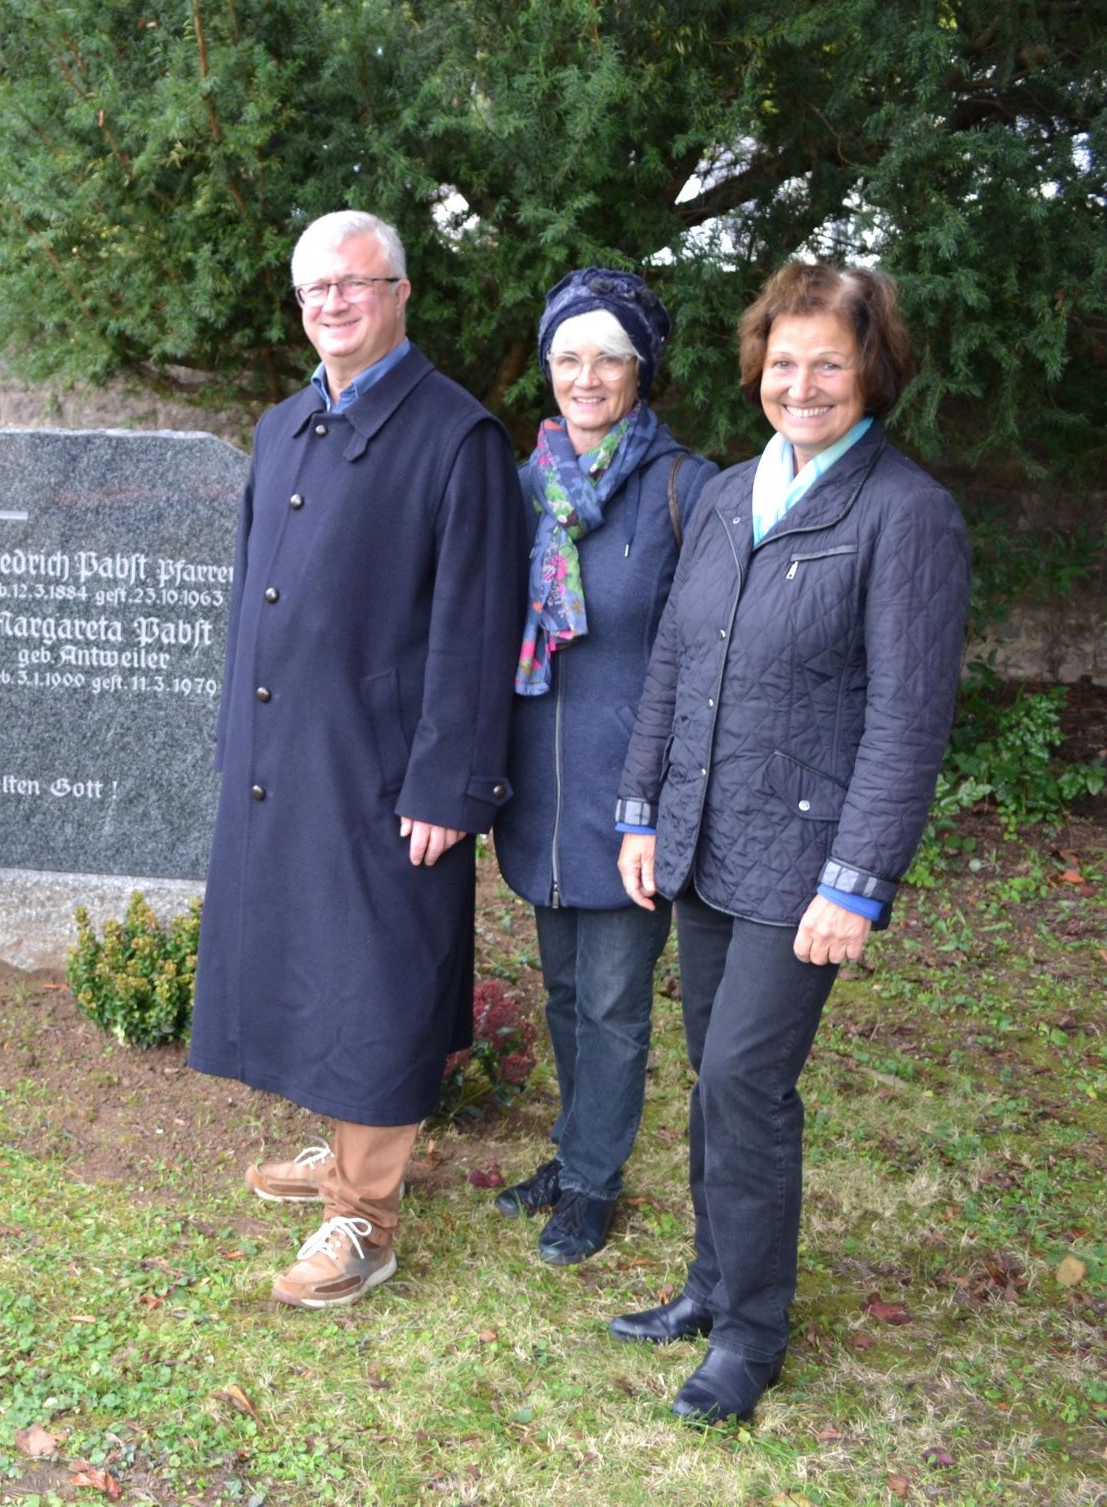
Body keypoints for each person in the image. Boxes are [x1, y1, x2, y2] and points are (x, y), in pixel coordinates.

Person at [610, 262, 969, 1421]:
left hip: (805, 862)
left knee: (749, 1084)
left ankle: (752, 1331)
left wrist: (857, 885)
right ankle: (710, 1283)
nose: (802, 383)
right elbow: (670, 658)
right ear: (756, 366)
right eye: (783, 360)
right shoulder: (722, 495)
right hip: (706, 839)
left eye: (829, 360)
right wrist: (641, 807)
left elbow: (908, 717)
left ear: (871, 370)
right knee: (715, 1078)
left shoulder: (905, 513)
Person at [187, 210, 527, 1309]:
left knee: (376, 971)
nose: (331, 303)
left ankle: (365, 1218)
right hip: (290, 747)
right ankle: (345, 1157)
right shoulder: (283, 425)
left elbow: (479, 626)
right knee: (313, 955)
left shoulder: (457, 436)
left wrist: (449, 778)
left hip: (386, 763)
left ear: (400, 292)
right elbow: (255, 600)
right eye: (313, 290)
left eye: (354, 283)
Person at [489, 269, 717, 1267]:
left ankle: (590, 1183)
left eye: (608, 357)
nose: (585, 376)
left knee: (616, 1000)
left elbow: (703, 654)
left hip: (632, 792)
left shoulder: (683, 487)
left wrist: (664, 794)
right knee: (562, 989)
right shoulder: (521, 481)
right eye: (567, 357)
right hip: (536, 785)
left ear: (641, 369)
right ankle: (572, 1146)